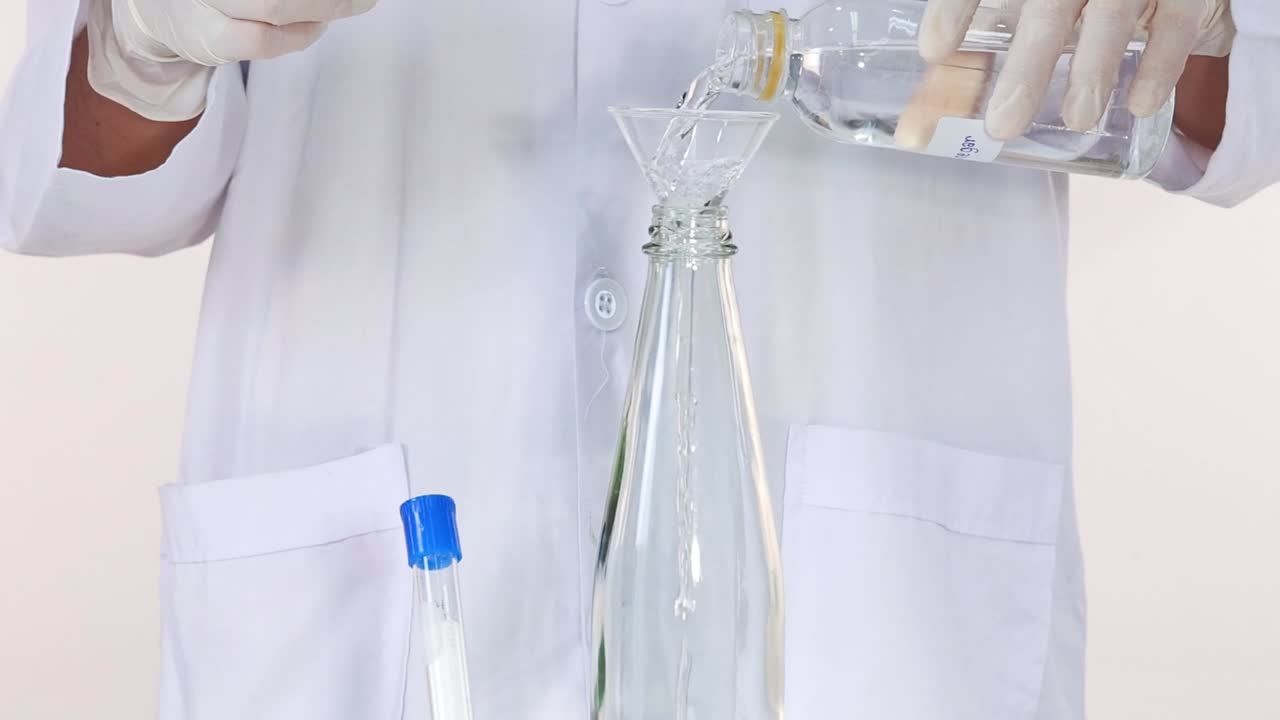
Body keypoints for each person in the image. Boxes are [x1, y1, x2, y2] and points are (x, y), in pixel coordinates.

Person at [0, 0, 1276, 717]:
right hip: (376, 594)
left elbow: (1238, 96)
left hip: (879, 615)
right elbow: (92, 173)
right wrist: (141, 33)